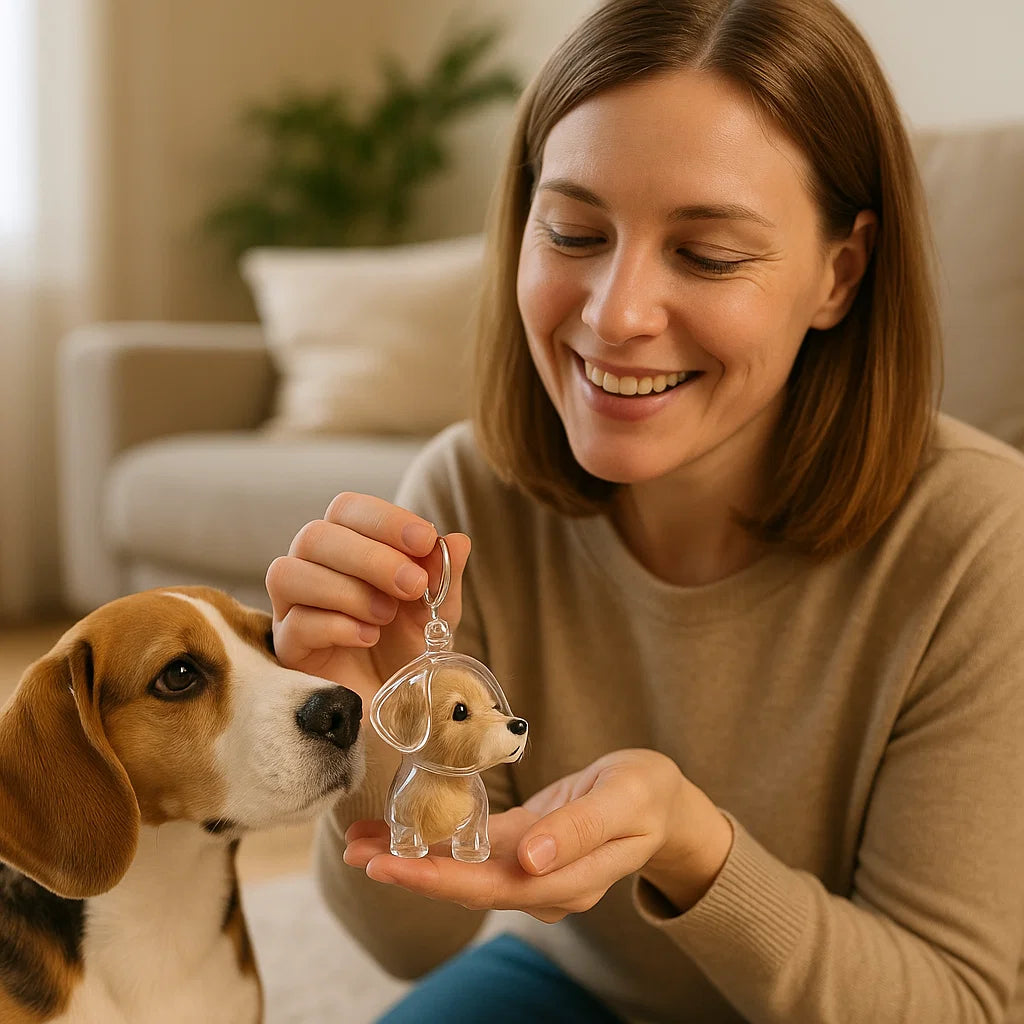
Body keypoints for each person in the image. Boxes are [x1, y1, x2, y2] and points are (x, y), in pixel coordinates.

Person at [265, 0, 1024, 1020]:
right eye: (574, 231)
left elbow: (955, 1004)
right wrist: (363, 734)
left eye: (707, 255)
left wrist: (692, 847)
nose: (615, 314)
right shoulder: (463, 498)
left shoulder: (980, 540)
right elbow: (405, 941)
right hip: (588, 990)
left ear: (838, 274)